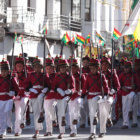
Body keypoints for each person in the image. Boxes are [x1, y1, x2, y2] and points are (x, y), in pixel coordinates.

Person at [82, 58, 109, 140]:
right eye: (91, 68)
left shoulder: (102, 76)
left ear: (98, 68)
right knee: (92, 114)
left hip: (99, 96)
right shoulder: (88, 76)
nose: (92, 70)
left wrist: (106, 94)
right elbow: (85, 86)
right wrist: (83, 94)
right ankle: (92, 132)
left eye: (94, 68)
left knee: (102, 114)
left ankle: (102, 131)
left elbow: (105, 86)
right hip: (90, 96)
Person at [26, 56, 49, 138]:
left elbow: (48, 85)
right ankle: (37, 131)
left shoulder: (44, 75)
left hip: (42, 93)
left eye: (39, 67)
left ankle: (42, 114)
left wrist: (45, 89)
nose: (37, 68)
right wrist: (31, 89)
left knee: (42, 109)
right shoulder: (30, 75)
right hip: (34, 93)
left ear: (41, 67)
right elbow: (27, 86)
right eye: (35, 67)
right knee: (36, 113)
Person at [52, 59, 74, 139]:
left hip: (67, 97)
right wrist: (58, 89)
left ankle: (72, 130)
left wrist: (70, 91)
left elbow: (73, 87)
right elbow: (53, 86)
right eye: (61, 67)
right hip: (59, 96)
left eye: (64, 67)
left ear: (67, 68)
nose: (63, 69)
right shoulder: (57, 76)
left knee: (67, 111)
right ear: (59, 68)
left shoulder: (70, 76)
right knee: (60, 113)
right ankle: (61, 132)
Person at [0, 59, 19, 138]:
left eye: (5, 71)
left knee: (8, 111)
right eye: (2, 71)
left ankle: (9, 125)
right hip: (1, 98)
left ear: (8, 71)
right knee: (1, 115)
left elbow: (17, 89)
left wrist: (13, 92)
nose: (4, 73)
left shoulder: (11, 78)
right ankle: (2, 132)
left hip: (9, 98)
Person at [119, 61, 140, 129]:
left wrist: (135, 86)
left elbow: (138, 84)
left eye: (127, 68)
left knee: (134, 106)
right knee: (124, 108)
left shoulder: (134, 74)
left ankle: (134, 121)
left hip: (133, 91)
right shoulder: (122, 75)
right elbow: (119, 84)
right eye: (125, 68)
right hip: (124, 92)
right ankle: (125, 123)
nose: (126, 69)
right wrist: (122, 87)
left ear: (130, 68)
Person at [68, 59, 86, 137]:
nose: (73, 69)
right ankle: (73, 131)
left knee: (78, 104)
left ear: (78, 68)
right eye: (71, 68)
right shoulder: (68, 76)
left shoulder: (81, 76)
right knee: (71, 113)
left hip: (79, 95)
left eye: (75, 68)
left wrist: (81, 91)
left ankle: (77, 118)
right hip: (70, 96)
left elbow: (86, 86)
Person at [14, 54, 29, 136]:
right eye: (17, 66)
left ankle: (23, 121)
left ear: (23, 66)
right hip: (17, 95)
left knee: (23, 106)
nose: (19, 68)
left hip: (25, 95)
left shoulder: (27, 74)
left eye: (21, 66)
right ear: (15, 66)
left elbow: (30, 85)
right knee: (17, 112)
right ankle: (17, 130)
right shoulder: (13, 75)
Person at [44, 58, 57, 136]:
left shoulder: (57, 76)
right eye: (47, 69)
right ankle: (49, 131)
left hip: (55, 95)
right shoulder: (44, 76)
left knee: (50, 106)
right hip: (47, 96)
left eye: (50, 68)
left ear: (54, 68)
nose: (48, 70)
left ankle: (54, 120)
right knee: (47, 114)